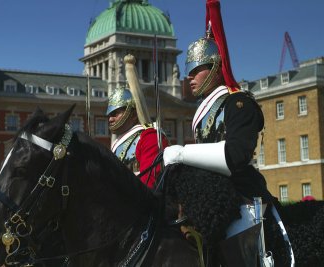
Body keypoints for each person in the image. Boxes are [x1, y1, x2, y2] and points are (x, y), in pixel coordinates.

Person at [163, 0, 280, 266]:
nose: (189, 78)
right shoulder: (204, 110)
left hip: (243, 198)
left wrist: (182, 152)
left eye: (196, 71)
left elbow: (236, 154)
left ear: (215, 66)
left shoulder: (238, 104)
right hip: (210, 196)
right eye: (188, 72)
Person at [107, 86, 169, 189]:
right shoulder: (117, 144)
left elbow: (149, 183)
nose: (110, 119)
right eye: (108, 115)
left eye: (115, 114)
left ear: (133, 114)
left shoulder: (149, 137)